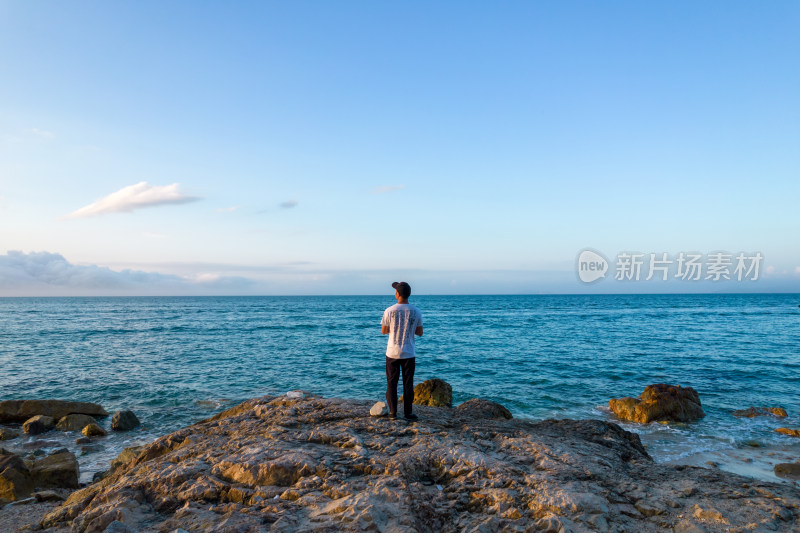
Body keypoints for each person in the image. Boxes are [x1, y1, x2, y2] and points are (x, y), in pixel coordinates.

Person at [381, 281, 423, 420]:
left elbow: (384, 331)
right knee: (408, 383)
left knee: (391, 383)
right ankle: (408, 413)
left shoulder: (389, 310)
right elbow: (419, 332)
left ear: (397, 294)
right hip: (409, 352)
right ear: (408, 294)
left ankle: (393, 413)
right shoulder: (416, 311)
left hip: (392, 352)